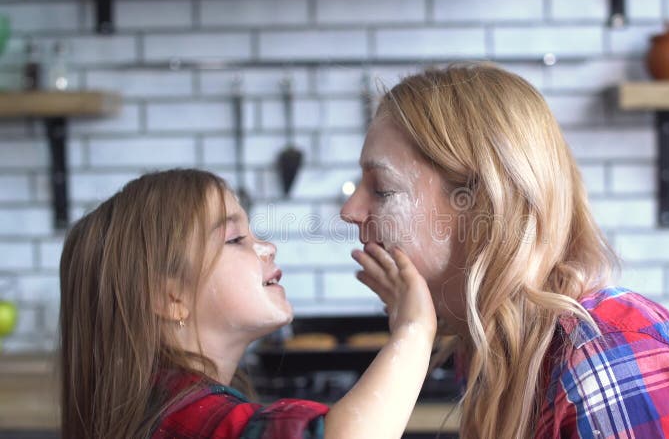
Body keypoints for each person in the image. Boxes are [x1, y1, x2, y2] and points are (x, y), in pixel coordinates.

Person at [340, 62, 669, 439]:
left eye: (383, 188)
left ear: (484, 205)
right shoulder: (489, 348)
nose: (350, 211)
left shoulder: (603, 351)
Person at [58, 168, 437, 439]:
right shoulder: (187, 418)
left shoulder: (161, 402)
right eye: (236, 239)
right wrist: (414, 330)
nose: (267, 247)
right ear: (170, 298)